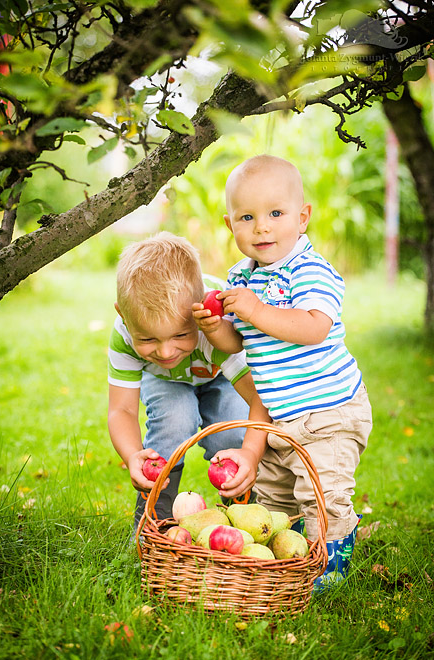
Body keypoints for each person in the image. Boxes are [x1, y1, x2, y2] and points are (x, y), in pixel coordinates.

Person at [192, 155, 372, 588]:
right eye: (247, 217)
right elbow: (239, 344)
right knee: (272, 497)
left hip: (329, 411)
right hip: (277, 417)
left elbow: (313, 328)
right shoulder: (240, 276)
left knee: (321, 494)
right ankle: (283, 558)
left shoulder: (310, 269)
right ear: (230, 223)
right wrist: (217, 328)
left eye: (276, 213)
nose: (262, 227)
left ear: (302, 217)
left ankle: (331, 563)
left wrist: (255, 308)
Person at [107, 231, 268, 533]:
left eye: (180, 335)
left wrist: (251, 454)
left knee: (231, 432)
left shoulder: (214, 325)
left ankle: (244, 522)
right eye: (148, 339)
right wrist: (132, 456)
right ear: (124, 316)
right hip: (166, 381)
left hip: (220, 375)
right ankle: (155, 523)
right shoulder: (125, 334)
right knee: (174, 420)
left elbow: (259, 398)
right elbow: (122, 411)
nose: (166, 351)